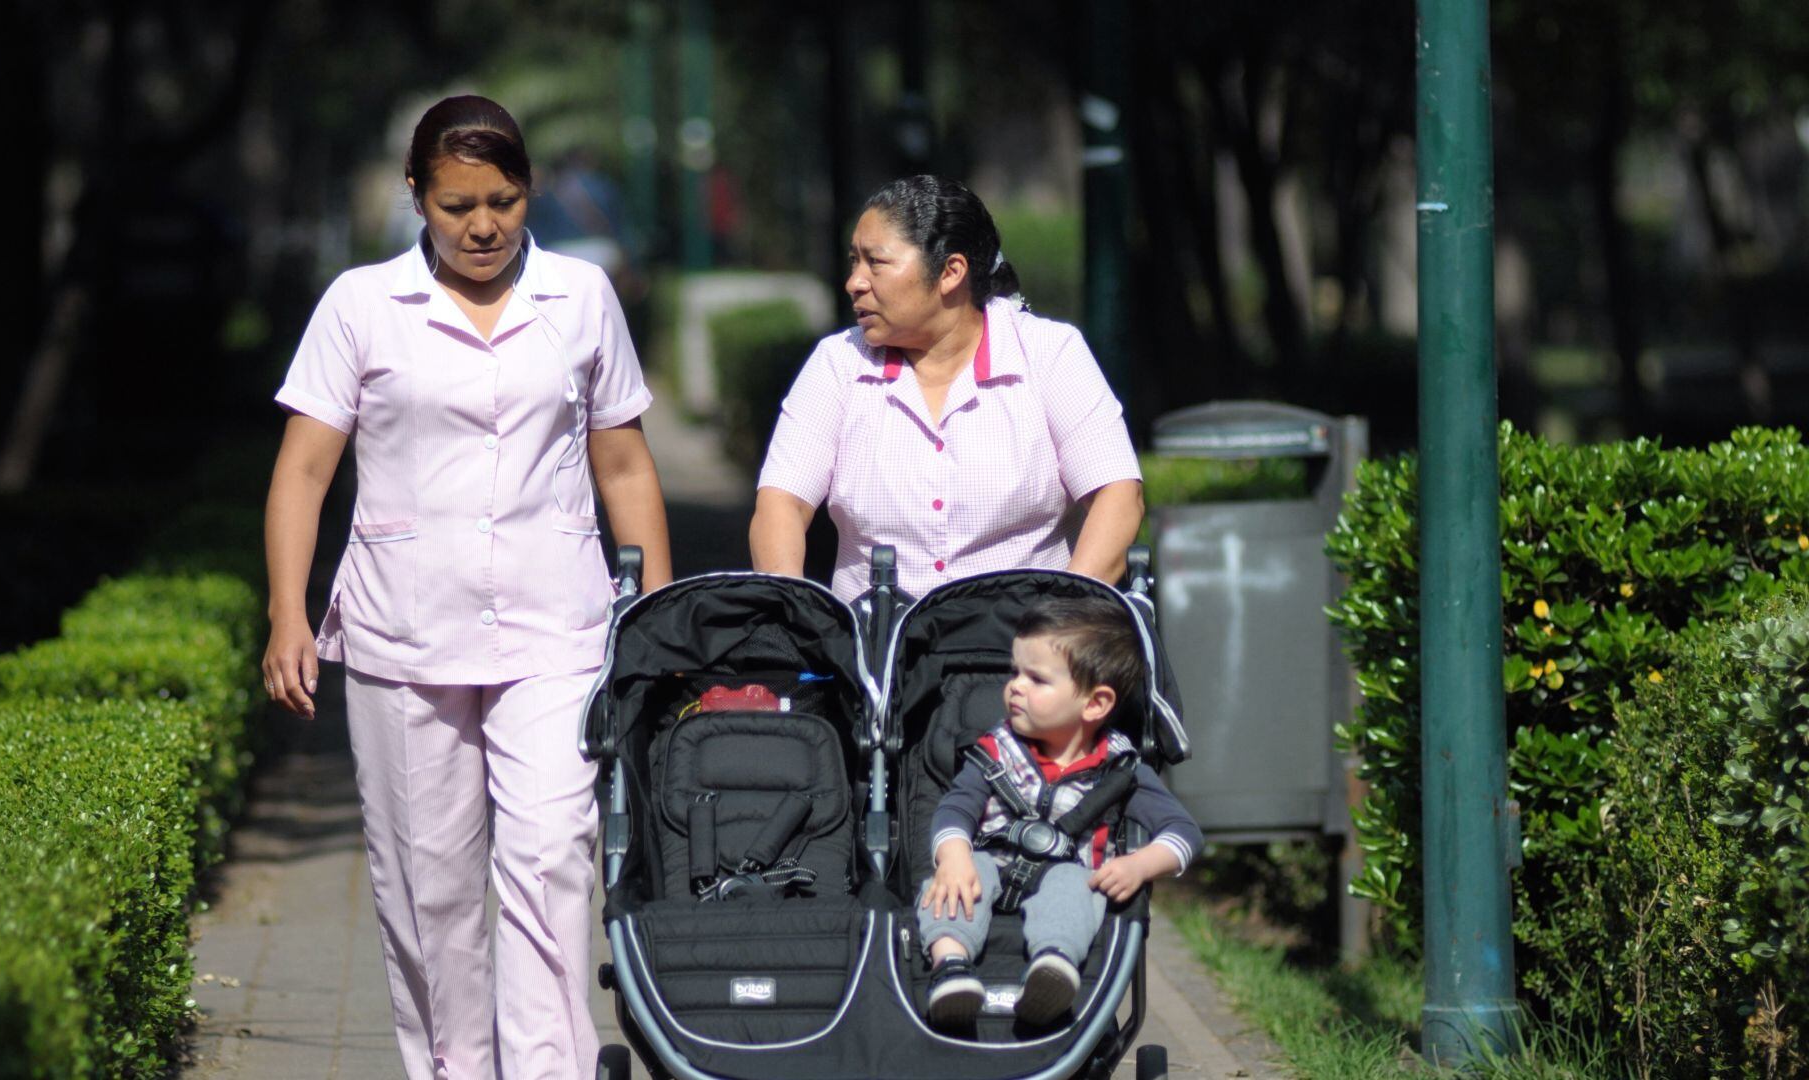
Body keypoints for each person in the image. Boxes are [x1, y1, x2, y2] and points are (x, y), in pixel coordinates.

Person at [259, 95, 671, 1079]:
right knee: (425, 889)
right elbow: (304, 470)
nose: (483, 226)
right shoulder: (360, 305)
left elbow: (625, 466)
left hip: (556, 627)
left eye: (503, 199)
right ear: (416, 197)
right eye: (456, 206)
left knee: (550, 857)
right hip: (404, 631)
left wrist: (658, 616)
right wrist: (286, 613)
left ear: (529, 192)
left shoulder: (580, 296)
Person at [751, 174, 1144, 601]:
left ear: (951, 272)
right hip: (874, 654)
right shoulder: (837, 364)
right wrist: (791, 618)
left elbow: (1118, 497)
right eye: (853, 262)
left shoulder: (1050, 354)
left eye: (876, 262)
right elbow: (781, 505)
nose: (855, 282)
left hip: (1024, 650)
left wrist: (1059, 626)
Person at [916, 597, 1202, 1030]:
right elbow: (955, 807)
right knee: (957, 878)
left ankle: (1053, 968)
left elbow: (1184, 833)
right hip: (991, 864)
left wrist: (1141, 864)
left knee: (1074, 883)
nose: (1015, 686)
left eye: (1036, 678)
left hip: (1065, 873)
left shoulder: (1120, 771)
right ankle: (951, 966)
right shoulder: (995, 753)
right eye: (1015, 673)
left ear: (1094, 703)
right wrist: (952, 855)